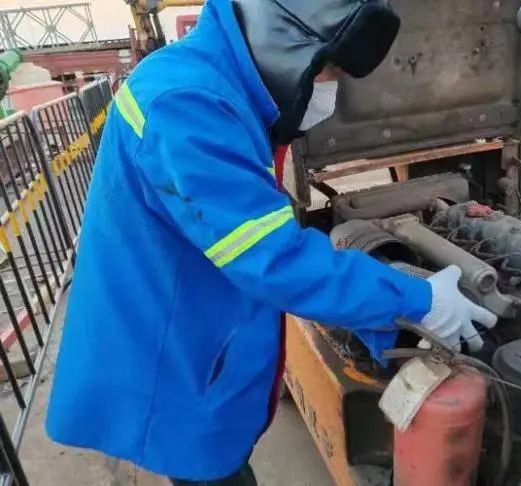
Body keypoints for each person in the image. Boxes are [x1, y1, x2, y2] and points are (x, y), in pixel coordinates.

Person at [46, 1, 497, 485]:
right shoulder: (186, 103)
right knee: (211, 470)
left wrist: (376, 315)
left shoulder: (213, 81)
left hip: (188, 315)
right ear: (283, 38)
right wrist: (414, 300)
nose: (331, 88)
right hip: (168, 356)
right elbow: (271, 256)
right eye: (329, 70)